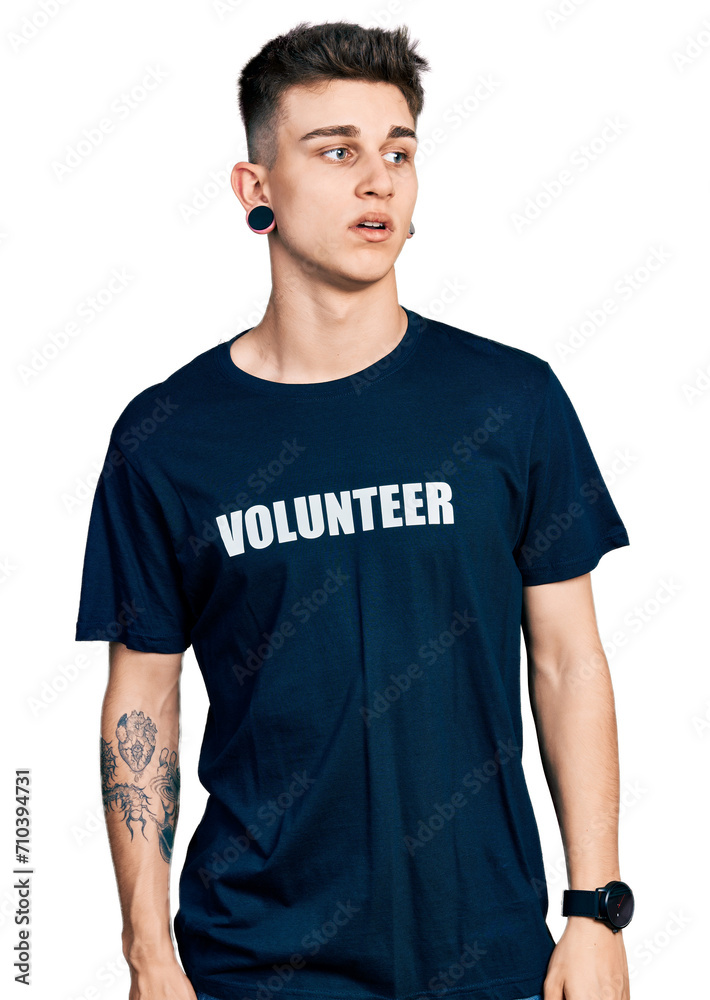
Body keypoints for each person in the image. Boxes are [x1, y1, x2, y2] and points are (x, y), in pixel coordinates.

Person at [74, 20, 633, 1000]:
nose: (377, 179)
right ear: (257, 192)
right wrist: (148, 952)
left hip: (491, 953)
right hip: (254, 963)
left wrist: (592, 911)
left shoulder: (507, 403)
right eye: (335, 151)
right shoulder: (167, 438)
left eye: (397, 151)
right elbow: (142, 702)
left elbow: (567, 659)